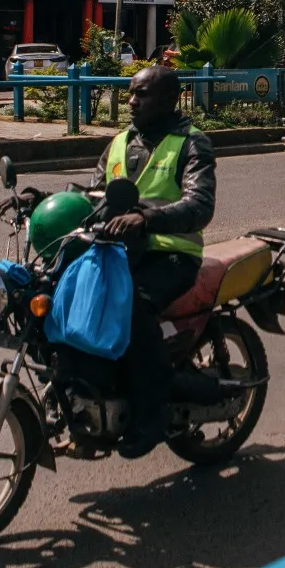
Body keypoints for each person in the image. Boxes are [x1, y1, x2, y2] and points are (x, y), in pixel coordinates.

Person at [93, 64, 217, 457]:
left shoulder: (192, 143)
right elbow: (95, 196)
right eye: (130, 92)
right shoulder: (117, 143)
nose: (131, 101)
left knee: (132, 308)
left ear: (169, 99)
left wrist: (146, 218)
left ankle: (153, 410)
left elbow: (200, 205)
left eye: (141, 94)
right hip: (119, 251)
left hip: (171, 253)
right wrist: (45, 200)